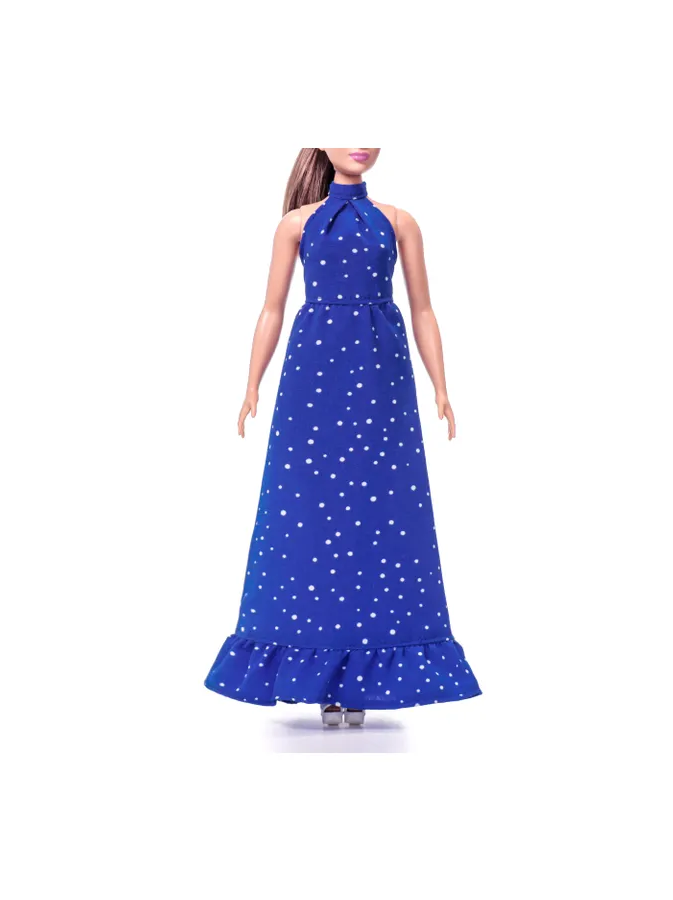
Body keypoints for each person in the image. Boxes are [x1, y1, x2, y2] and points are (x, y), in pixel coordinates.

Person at [205, 148, 481, 726]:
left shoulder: (398, 221)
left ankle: (365, 677)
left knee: (383, 517)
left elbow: (424, 310)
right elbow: (271, 308)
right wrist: (251, 385)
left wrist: (441, 388)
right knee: (306, 516)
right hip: (314, 375)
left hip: (381, 372)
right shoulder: (297, 224)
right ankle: (320, 673)